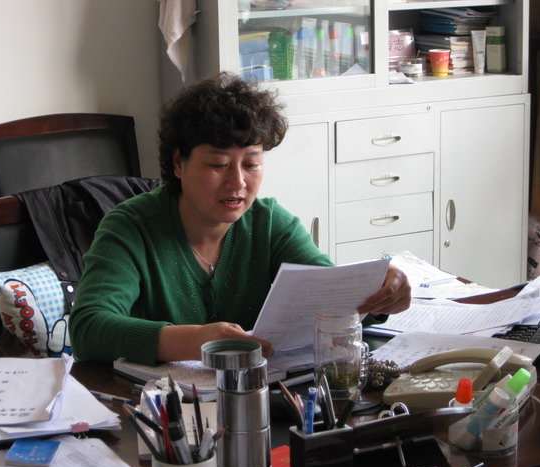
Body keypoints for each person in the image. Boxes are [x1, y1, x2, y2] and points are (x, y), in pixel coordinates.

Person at [69, 72, 411, 366]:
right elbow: (88, 328)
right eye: (218, 165)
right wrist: (196, 341)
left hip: (264, 398)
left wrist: (381, 293)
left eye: (251, 164)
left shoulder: (270, 224)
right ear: (178, 163)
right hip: (159, 405)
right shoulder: (130, 228)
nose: (237, 182)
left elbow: (329, 299)